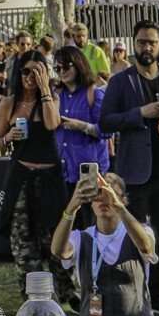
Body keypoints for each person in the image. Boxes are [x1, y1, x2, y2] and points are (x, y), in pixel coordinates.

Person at [100, 22, 159, 316]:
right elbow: (105, 121)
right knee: (133, 236)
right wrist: (140, 114)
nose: (146, 47)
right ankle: (134, 292)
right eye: (141, 42)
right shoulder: (121, 81)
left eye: (151, 42)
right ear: (133, 44)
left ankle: (158, 293)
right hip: (134, 172)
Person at [0, 50, 72, 303]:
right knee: (23, 240)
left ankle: (65, 294)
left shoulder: (52, 98)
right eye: (26, 71)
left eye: (36, 71)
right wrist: (8, 137)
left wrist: (44, 90)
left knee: (54, 238)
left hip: (50, 177)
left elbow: (52, 124)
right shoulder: (8, 103)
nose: (30, 76)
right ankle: (31, 296)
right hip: (21, 177)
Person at [53, 173, 159, 316]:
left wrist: (119, 208)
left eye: (110, 195)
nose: (103, 200)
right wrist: (71, 208)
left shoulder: (140, 232)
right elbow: (58, 250)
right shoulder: (81, 238)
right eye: (97, 196)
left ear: (123, 200)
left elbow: (146, 246)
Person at [51, 44, 110, 211]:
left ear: (78, 64)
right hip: (63, 169)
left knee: (89, 224)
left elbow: (106, 131)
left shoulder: (94, 93)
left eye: (66, 66)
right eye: (58, 68)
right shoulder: (55, 96)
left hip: (89, 171)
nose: (61, 71)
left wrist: (82, 126)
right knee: (67, 224)